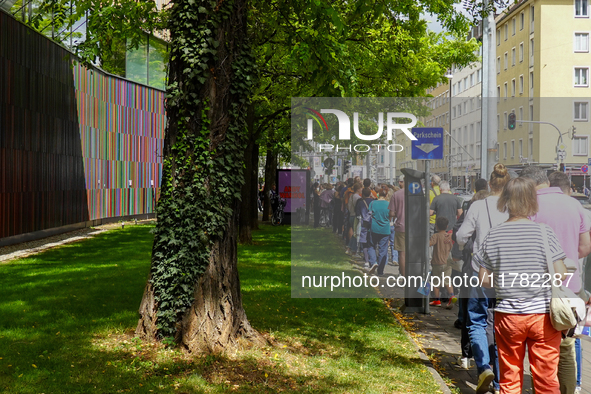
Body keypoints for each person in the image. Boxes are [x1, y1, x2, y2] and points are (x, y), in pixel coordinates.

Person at [476, 177, 569, 394]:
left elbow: (484, 279)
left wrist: (504, 281)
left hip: (508, 316)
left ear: (505, 200)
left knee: (509, 378)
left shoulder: (494, 234)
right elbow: (561, 274)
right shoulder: (544, 233)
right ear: (532, 201)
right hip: (543, 316)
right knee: (546, 379)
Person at [522, 167, 591, 394]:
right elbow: (585, 248)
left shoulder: (530, 208)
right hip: (570, 288)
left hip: (539, 290)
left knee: (541, 348)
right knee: (568, 347)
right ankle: (570, 390)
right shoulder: (575, 206)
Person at [456, 164, 511, 394]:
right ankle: (500, 382)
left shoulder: (478, 206)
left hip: (480, 271)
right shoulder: (513, 207)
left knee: (476, 320)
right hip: (506, 274)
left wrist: (468, 248)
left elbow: (461, 236)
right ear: (507, 185)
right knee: (500, 325)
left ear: (490, 184)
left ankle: (483, 366)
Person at [429, 216, 455, 308]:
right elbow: (452, 247)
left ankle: (437, 300)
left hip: (437, 262)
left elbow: (429, 244)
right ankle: (452, 295)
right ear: (447, 226)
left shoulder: (435, 236)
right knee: (447, 280)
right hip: (448, 263)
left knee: (436, 282)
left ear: (436, 226)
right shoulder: (448, 237)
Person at [369, 188, 391, 275]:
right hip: (385, 229)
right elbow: (391, 216)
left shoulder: (373, 203)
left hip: (374, 228)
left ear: (378, 194)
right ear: (386, 195)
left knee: (371, 246)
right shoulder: (389, 204)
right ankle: (380, 270)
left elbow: (369, 214)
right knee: (383, 250)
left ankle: (373, 262)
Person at [389, 175, 406, 276]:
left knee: (402, 253)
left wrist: (398, 213)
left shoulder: (396, 195)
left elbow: (391, 213)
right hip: (414, 228)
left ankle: (404, 276)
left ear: (400, 183)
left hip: (401, 226)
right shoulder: (415, 194)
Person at [356, 188, 375, 270]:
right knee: (372, 242)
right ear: (370, 193)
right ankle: (373, 260)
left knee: (364, 242)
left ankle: (366, 261)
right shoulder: (374, 201)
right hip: (373, 224)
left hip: (364, 224)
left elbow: (357, 213)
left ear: (362, 194)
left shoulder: (360, 202)